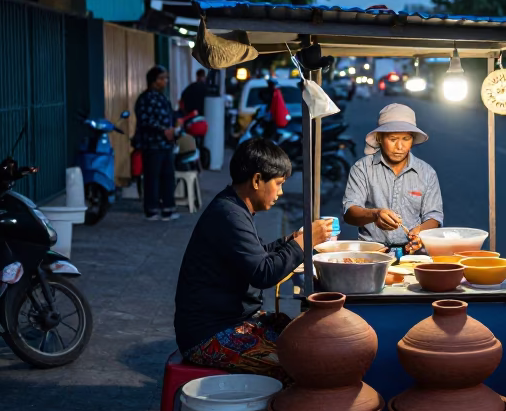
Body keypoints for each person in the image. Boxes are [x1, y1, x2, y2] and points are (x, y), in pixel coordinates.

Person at [174, 137, 332, 376]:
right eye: (278, 184)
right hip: (208, 334)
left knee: (304, 338)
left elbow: (258, 254)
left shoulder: (234, 208)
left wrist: (292, 239)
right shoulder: (229, 214)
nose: (280, 192)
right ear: (257, 180)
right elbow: (264, 273)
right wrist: (304, 242)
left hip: (232, 321)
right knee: (300, 363)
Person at [342, 103, 443, 254]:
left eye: (406, 139)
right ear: (380, 138)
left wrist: (420, 232)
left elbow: (434, 215)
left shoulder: (427, 172)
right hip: (372, 253)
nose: (400, 146)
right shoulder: (362, 168)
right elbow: (350, 213)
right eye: (393, 138)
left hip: (413, 254)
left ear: (412, 140)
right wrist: (375, 214)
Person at [134, 65, 179, 221]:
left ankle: (168, 208)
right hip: (152, 145)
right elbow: (145, 120)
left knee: (168, 177)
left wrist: (173, 130)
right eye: (161, 78)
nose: (165, 81)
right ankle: (151, 209)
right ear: (153, 81)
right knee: (152, 178)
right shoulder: (145, 99)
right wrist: (162, 130)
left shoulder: (162, 98)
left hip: (166, 145)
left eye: (165, 78)